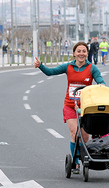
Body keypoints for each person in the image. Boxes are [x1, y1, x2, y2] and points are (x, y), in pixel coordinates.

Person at [34, 42, 105, 174]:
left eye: (84, 51)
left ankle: (83, 156)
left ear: (87, 53)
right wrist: (41, 66)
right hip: (70, 105)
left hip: (86, 108)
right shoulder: (68, 67)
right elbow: (50, 72)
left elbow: (101, 81)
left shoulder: (92, 68)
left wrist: (101, 86)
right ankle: (75, 161)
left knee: (84, 137)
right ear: (74, 53)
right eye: (79, 51)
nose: (81, 53)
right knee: (74, 133)